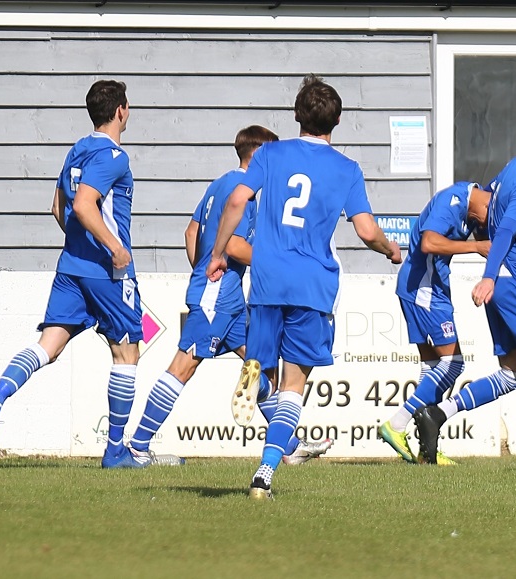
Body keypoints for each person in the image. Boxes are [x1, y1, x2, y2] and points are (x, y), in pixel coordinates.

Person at [206, 74, 401, 500]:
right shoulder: (347, 169)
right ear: (337, 122)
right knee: (295, 385)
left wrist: (219, 253)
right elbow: (366, 230)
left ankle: (256, 373)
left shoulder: (270, 154)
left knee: (268, 372)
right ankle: (265, 472)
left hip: (267, 280)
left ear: (297, 115)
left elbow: (237, 201)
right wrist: (390, 250)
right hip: (312, 284)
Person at [125, 125, 334, 467]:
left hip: (230, 297)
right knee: (183, 366)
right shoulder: (245, 193)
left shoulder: (219, 184)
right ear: (260, 155)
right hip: (218, 295)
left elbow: (191, 231)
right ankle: (136, 447)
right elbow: (235, 245)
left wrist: (204, 265)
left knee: (261, 367)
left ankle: (290, 445)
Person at [0, 80, 149, 468]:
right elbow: (84, 205)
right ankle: (116, 451)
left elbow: (57, 207)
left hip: (71, 265)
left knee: (47, 345)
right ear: (121, 110)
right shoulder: (115, 155)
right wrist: (115, 248)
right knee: (128, 351)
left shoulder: (77, 150)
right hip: (107, 271)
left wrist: (80, 247)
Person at [414, 122, 516, 465]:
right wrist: (490, 277)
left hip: (506, 286)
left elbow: (486, 203)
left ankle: (437, 414)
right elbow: (504, 230)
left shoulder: (513, 167)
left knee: (513, 375)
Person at [378, 182, 491, 465]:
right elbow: (428, 242)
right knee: (453, 364)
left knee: (432, 369)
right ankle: (397, 424)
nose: (484, 225)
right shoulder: (452, 201)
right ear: (486, 203)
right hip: (423, 290)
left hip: (425, 288)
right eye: (490, 216)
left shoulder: (473, 208)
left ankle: (427, 451)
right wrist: (476, 246)